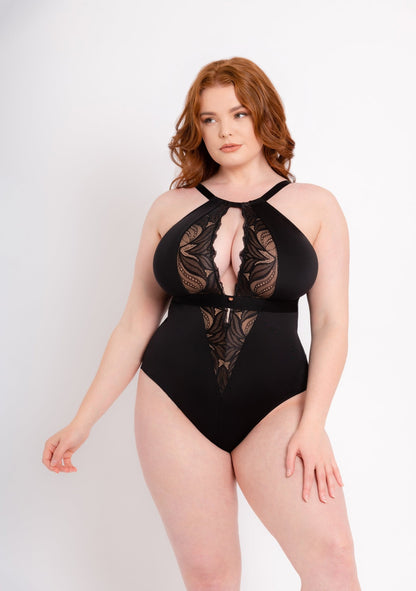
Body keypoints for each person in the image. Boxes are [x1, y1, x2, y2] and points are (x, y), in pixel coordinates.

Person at [42, 57, 361, 590]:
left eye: (238, 114)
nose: (224, 131)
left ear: (264, 115)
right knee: (210, 577)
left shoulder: (316, 206)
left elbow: (331, 325)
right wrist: (82, 421)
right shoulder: (169, 208)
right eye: (209, 119)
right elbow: (134, 324)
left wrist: (313, 425)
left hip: (279, 406)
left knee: (332, 559)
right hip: (173, 404)